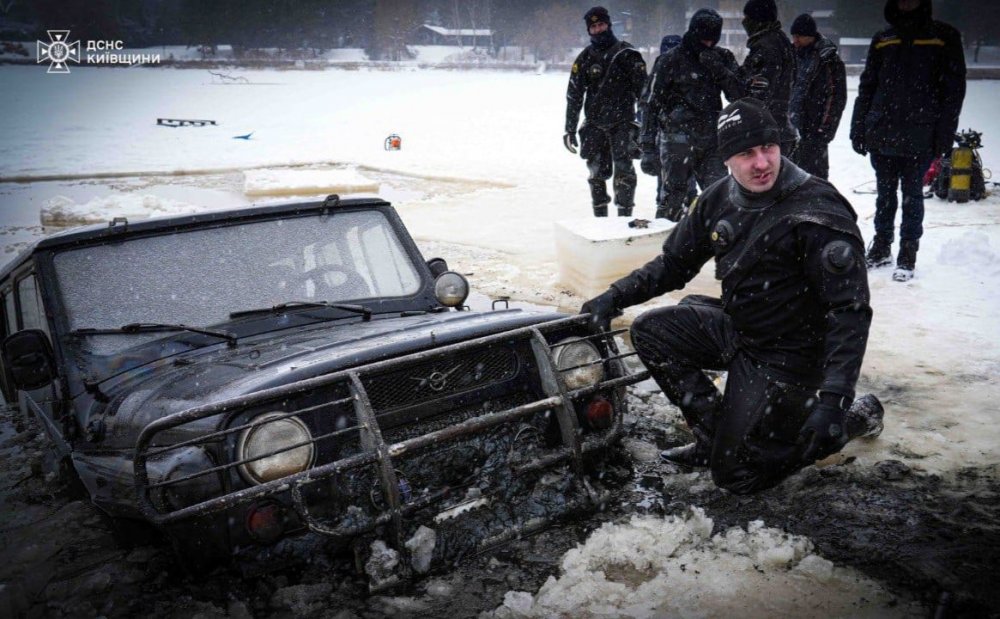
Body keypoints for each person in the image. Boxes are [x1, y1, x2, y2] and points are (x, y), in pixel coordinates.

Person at [580, 98, 882, 495]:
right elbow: (674, 264)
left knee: (738, 475)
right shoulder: (720, 198)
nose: (761, 163)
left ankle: (856, 419)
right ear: (726, 160)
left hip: (792, 359)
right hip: (744, 331)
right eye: (746, 153)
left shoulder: (817, 210)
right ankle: (714, 436)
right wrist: (612, 298)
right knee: (653, 332)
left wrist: (835, 401)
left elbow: (850, 311)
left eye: (768, 148)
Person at [850, 0, 966, 282]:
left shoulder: (943, 37)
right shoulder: (883, 39)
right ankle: (881, 247)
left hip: (920, 134)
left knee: (913, 196)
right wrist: (858, 126)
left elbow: (953, 91)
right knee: (885, 196)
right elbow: (868, 85)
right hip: (883, 133)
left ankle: (907, 253)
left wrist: (944, 134)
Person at [639, 9, 741, 221]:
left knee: (721, 198)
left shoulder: (722, 57)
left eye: (713, 40)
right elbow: (650, 104)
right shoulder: (670, 60)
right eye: (704, 40)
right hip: (677, 140)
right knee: (672, 200)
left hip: (712, 140)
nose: (709, 45)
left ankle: (722, 246)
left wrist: (719, 70)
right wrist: (647, 146)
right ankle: (667, 246)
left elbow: (740, 96)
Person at [564, 6, 647, 217]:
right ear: (589, 31)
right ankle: (600, 219)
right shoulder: (584, 58)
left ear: (609, 25)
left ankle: (624, 216)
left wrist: (647, 124)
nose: (598, 29)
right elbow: (574, 96)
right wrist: (569, 129)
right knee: (596, 175)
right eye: (593, 27)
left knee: (624, 172)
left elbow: (644, 94)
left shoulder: (627, 53)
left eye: (601, 24)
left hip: (623, 123)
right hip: (594, 124)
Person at [703, 0, 798, 153]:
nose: (744, 22)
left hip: (766, 134)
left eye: (747, 17)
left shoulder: (767, 48)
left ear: (758, 20)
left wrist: (719, 70)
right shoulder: (779, 42)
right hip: (777, 130)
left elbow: (747, 98)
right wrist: (730, 62)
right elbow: (747, 80)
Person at [638, 34, 696, 215]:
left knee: (683, 189)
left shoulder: (689, 72)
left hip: (688, 140)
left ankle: (684, 221)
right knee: (668, 189)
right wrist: (648, 146)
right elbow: (646, 107)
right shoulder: (658, 72)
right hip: (665, 140)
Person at [788, 13, 847, 179]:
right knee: (792, 178)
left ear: (810, 36)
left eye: (799, 36)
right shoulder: (793, 55)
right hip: (794, 126)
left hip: (815, 128)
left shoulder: (828, 59)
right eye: (793, 36)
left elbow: (836, 96)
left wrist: (824, 128)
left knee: (815, 178)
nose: (795, 40)